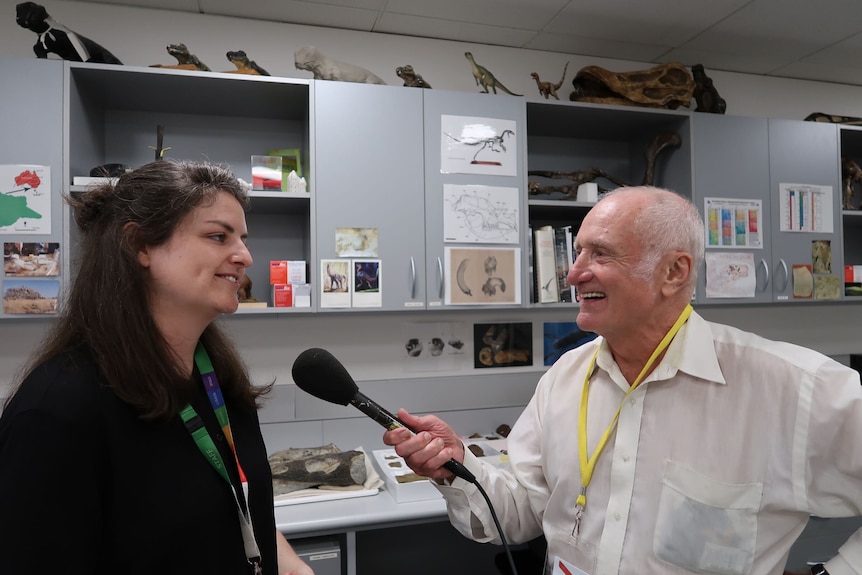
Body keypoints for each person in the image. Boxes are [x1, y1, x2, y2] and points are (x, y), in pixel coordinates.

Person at [384, 186, 862, 575]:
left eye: (601, 254)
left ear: (674, 272)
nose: (572, 274)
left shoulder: (791, 388)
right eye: (576, 253)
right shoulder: (565, 379)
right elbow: (521, 511)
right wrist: (458, 468)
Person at [0, 160, 313, 575]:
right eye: (218, 236)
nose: (245, 257)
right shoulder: (57, 413)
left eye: (242, 238)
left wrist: (293, 568)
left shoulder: (217, 381)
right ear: (140, 245)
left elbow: (234, 498)